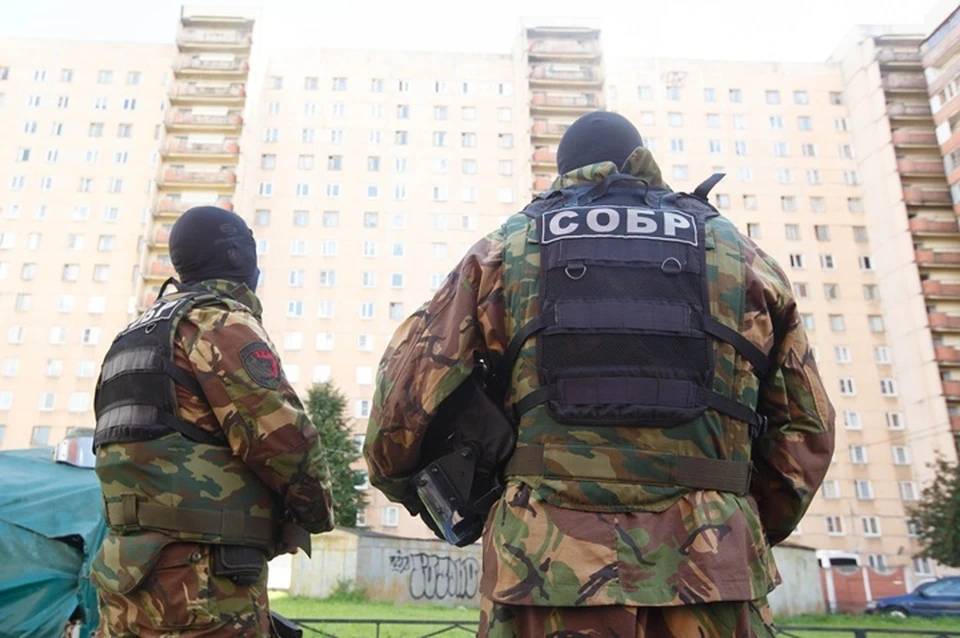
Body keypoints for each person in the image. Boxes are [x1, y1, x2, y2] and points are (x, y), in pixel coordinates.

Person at [364, 111, 835, 637]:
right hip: (713, 570)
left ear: (564, 171)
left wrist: (434, 501)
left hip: (543, 570)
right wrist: (739, 521)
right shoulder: (741, 256)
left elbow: (403, 399)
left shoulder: (506, 249)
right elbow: (806, 427)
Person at [91, 206, 334, 637]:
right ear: (239, 256)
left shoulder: (132, 337)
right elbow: (285, 442)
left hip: (126, 581)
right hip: (200, 585)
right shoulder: (218, 322)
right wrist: (315, 514)